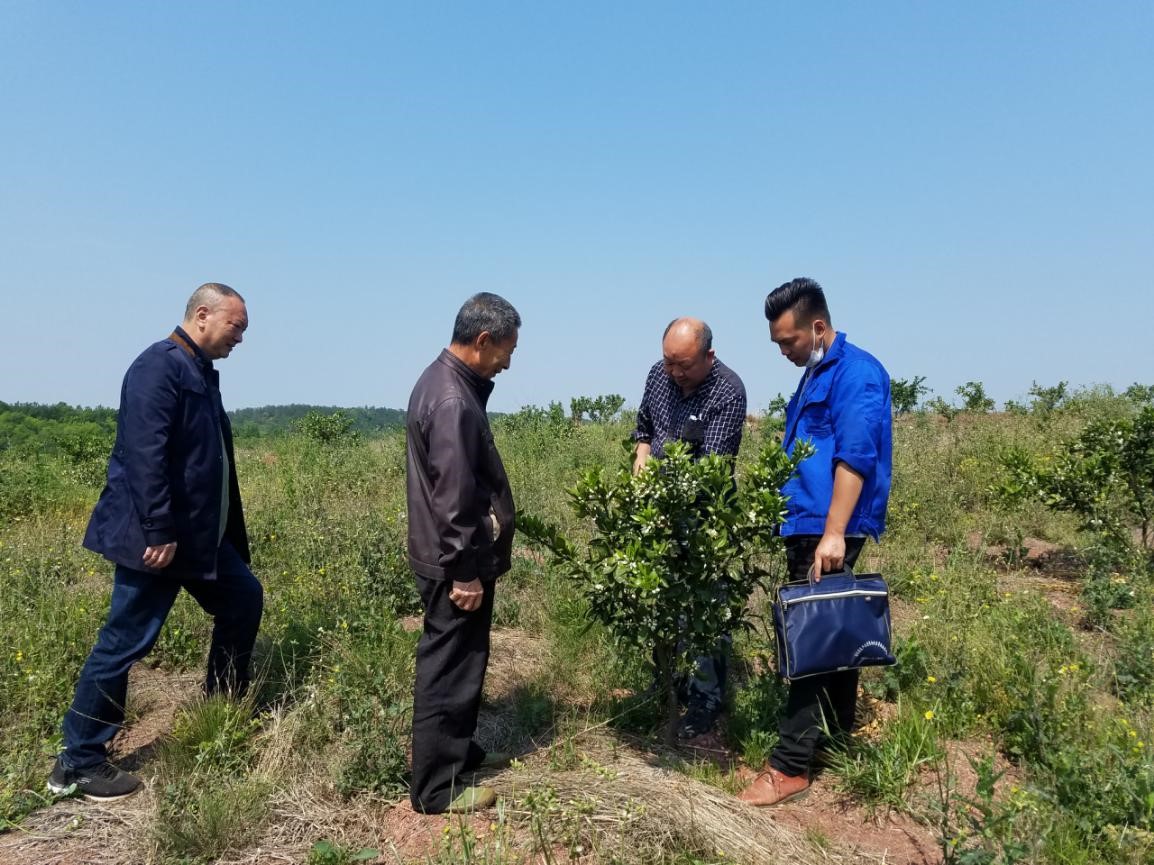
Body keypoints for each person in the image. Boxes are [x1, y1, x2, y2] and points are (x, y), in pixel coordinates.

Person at [49, 283, 263, 801]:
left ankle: (222, 705)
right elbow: (145, 454)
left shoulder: (198, 370)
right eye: (236, 326)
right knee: (124, 641)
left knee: (243, 598)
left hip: (198, 538)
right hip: (159, 541)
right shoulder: (158, 367)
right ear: (203, 314)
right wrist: (159, 529)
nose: (240, 338)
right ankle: (78, 761)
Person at [739, 277, 892, 807]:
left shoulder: (857, 373)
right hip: (807, 522)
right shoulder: (816, 373)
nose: (783, 351)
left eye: (789, 341)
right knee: (833, 634)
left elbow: (856, 456)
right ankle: (835, 737)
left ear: (818, 326)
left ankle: (789, 767)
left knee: (813, 639)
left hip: (828, 527)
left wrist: (833, 533)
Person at [406, 292, 520, 814]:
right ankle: (436, 788)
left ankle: (457, 751)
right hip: (456, 561)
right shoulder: (452, 399)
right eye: (505, 351)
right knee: (448, 669)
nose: (507, 362)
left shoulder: (445, 383)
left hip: (455, 555)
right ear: (482, 340)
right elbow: (452, 497)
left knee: (464, 662)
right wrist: (464, 572)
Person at [633, 317, 747, 737]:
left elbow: (711, 469)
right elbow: (645, 427)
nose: (674, 372)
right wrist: (642, 455)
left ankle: (705, 702)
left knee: (704, 607)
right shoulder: (657, 375)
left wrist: (666, 492)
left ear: (708, 356)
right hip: (657, 509)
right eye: (669, 362)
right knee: (661, 598)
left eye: (683, 365)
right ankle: (668, 683)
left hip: (704, 514)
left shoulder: (728, 391)